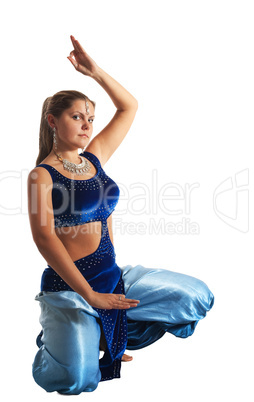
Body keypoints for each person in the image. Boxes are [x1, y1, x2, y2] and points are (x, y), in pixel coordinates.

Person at [27, 35, 214, 396]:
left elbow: (129, 106)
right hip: (70, 288)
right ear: (53, 120)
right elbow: (44, 238)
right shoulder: (43, 175)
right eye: (77, 116)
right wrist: (90, 296)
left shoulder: (95, 157)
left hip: (112, 276)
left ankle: (105, 328)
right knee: (76, 380)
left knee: (196, 298)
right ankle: (60, 334)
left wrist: (94, 72)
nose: (87, 124)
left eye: (91, 118)